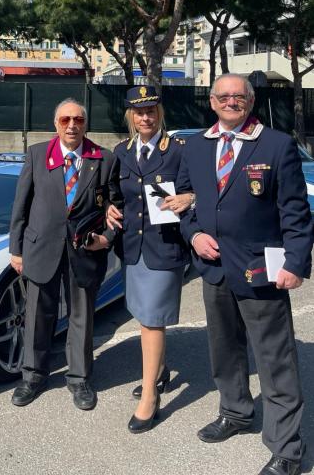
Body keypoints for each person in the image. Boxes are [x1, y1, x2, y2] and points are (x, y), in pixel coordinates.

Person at [177, 73, 313, 475]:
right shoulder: (198, 147)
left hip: (261, 271)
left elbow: (295, 212)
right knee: (225, 351)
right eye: (224, 96)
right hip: (214, 268)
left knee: (275, 361)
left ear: (251, 101)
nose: (231, 101)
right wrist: (194, 234)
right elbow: (186, 203)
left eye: (239, 95)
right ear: (213, 102)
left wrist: (295, 263)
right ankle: (236, 411)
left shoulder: (277, 144)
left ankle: (287, 448)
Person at [9, 98, 117, 410]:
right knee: (37, 317)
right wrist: (16, 249)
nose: (72, 125)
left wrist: (107, 238)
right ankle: (32, 376)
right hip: (40, 248)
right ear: (56, 124)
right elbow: (21, 206)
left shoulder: (104, 159)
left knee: (81, 318)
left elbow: (115, 206)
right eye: (66, 119)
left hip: (84, 251)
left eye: (78, 120)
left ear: (86, 124)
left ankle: (80, 378)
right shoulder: (38, 154)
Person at [106, 85, 193, 433]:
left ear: (160, 113)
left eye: (151, 111)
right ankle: (159, 370)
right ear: (130, 115)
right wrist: (110, 209)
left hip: (165, 246)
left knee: (151, 320)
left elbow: (199, 188)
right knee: (142, 313)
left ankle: (150, 399)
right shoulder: (121, 151)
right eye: (139, 112)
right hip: (133, 248)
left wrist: (190, 197)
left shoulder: (179, 151)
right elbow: (114, 195)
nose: (146, 117)